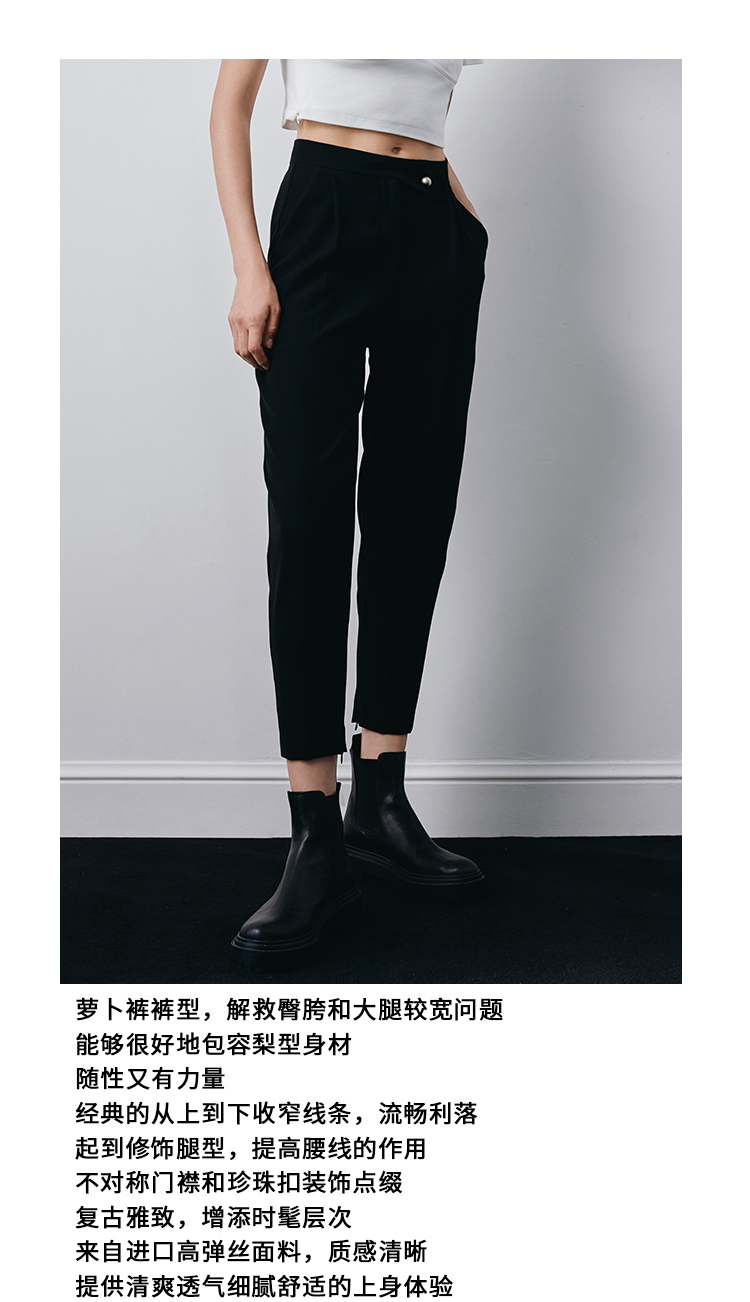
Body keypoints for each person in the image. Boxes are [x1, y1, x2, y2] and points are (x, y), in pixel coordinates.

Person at [210, 59, 488, 967]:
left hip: (434, 225)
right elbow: (231, 105)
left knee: (414, 511)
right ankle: (314, 832)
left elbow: (426, 107)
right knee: (307, 521)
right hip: (323, 207)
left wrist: (465, 224)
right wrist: (250, 266)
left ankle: (382, 796)